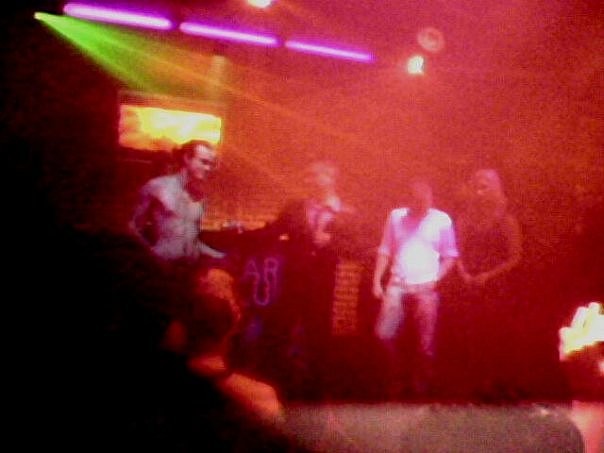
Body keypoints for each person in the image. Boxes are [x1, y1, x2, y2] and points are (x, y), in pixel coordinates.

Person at [254, 160, 357, 401]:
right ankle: (272, 385)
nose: (307, 179)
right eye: (307, 175)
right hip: (292, 283)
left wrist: (331, 242)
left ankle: (314, 393)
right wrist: (243, 237)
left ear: (330, 178)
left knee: (318, 338)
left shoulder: (346, 213)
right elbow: (273, 231)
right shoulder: (295, 207)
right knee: (279, 332)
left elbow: (357, 247)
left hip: (321, 288)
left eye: (313, 175)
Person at [372, 178, 458, 398]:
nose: (421, 205)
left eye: (424, 200)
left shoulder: (441, 220)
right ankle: (397, 376)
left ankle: (421, 384)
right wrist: (376, 279)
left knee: (425, 342)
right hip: (398, 283)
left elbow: (450, 255)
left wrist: (436, 278)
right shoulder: (396, 217)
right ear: (409, 200)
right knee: (384, 334)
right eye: (417, 201)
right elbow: (385, 249)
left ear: (431, 199)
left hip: (426, 286)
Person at [455, 168, 522, 400]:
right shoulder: (465, 219)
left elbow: (515, 257)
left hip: (497, 288)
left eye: (485, 185)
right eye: (477, 185)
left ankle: (501, 383)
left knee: (498, 335)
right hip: (472, 286)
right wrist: (464, 273)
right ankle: (478, 383)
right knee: (474, 335)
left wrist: (489, 275)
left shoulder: (506, 220)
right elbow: (456, 251)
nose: (480, 190)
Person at [129, 139, 225, 268]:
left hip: (190, 271)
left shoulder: (199, 197)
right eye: (204, 162)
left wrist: (219, 256)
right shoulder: (157, 187)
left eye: (211, 164)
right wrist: (152, 255)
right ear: (187, 158)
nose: (208, 168)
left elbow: (190, 240)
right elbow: (133, 228)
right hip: (160, 267)